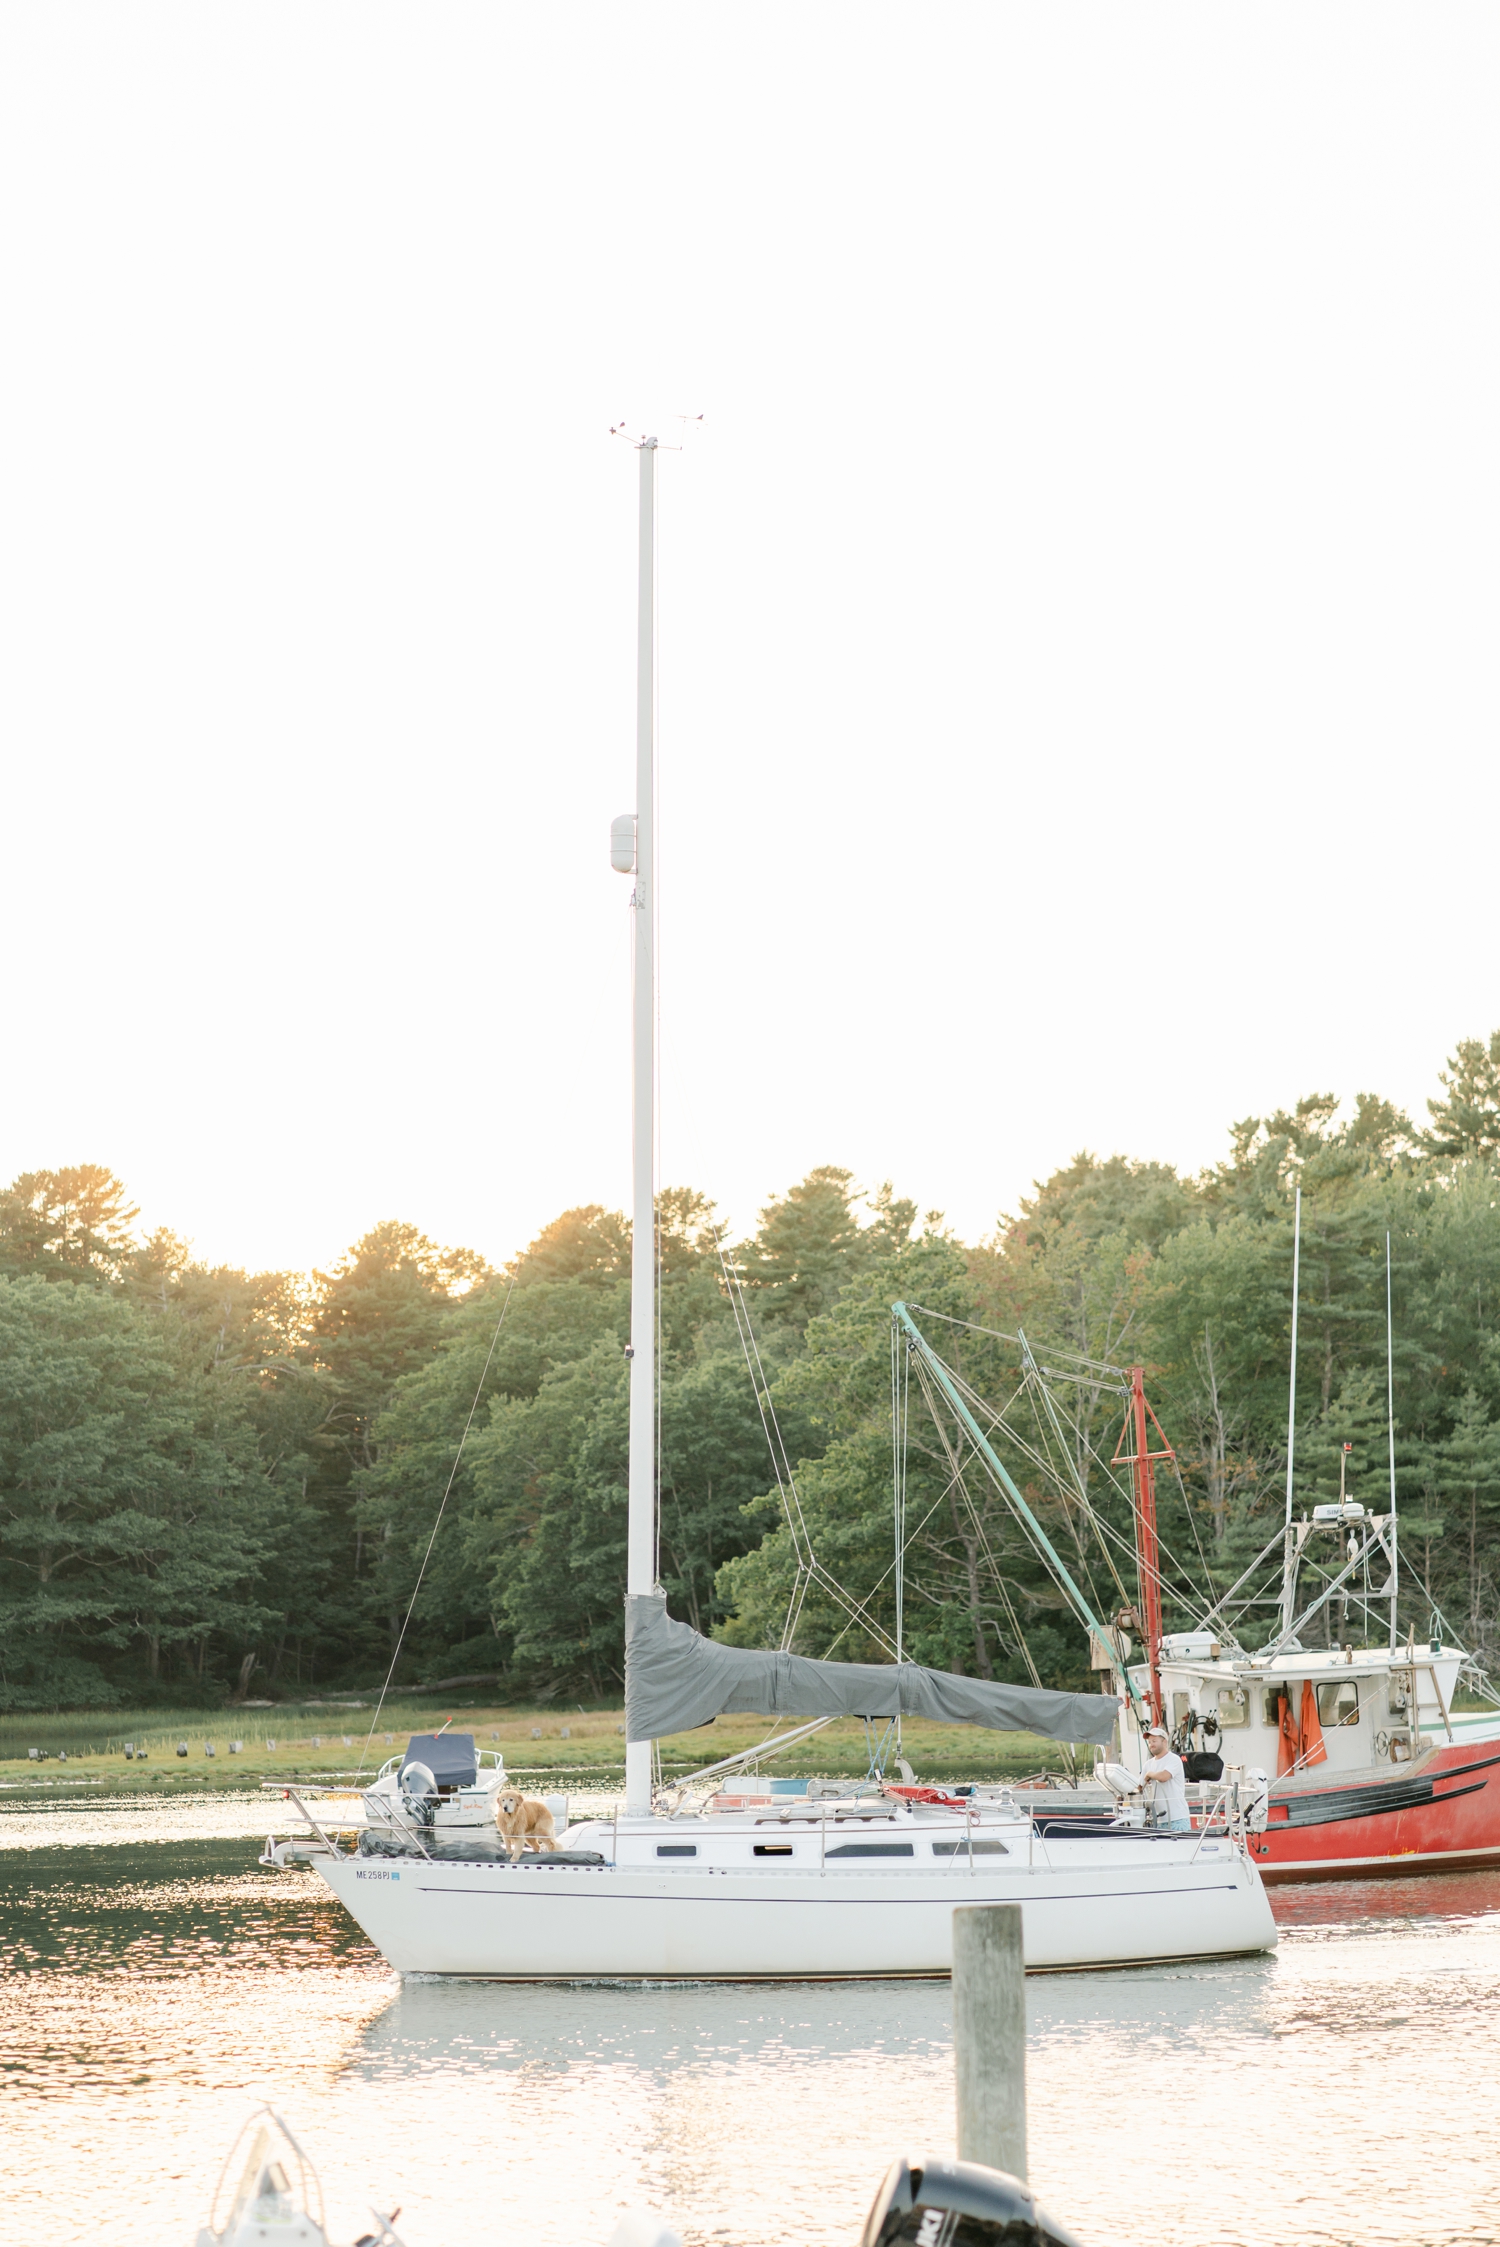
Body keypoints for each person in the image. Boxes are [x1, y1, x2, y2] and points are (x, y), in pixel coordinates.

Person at [1141, 1723, 1190, 1831]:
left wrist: (1149, 1774)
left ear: (1164, 1742)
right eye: (1149, 1742)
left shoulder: (1174, 1759)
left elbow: (1164, 1777)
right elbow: (1139, 1787)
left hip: (1177, 1818)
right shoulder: (1147, 1764)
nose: (1151, 1744)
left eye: (1154, 1741)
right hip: (1157, 1820)